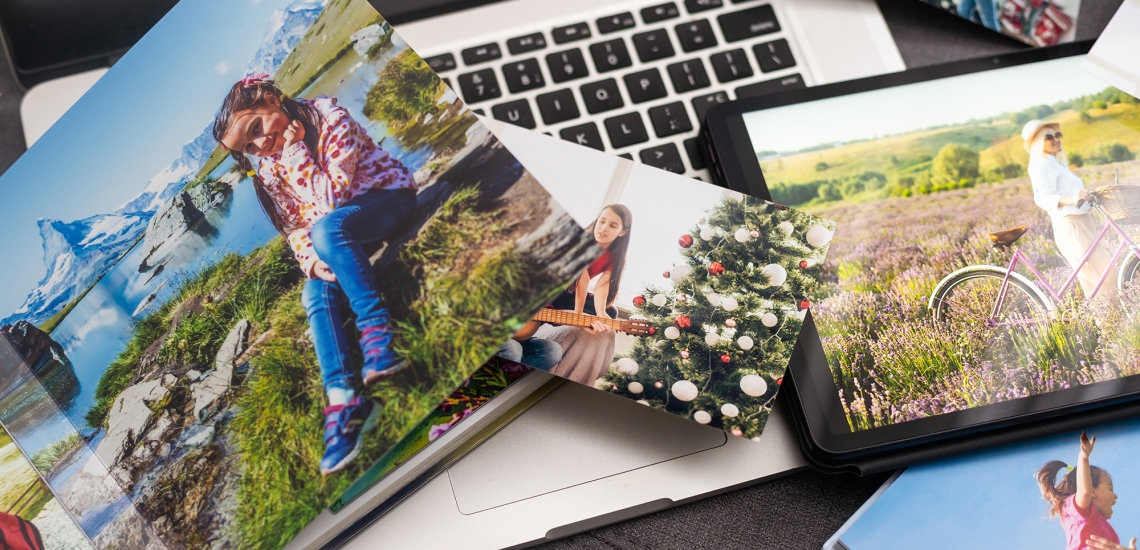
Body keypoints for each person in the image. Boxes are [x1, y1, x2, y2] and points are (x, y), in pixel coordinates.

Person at [213, 74, 416, 476]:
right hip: (341, 236)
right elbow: (295, 227)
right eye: (247, 148)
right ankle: (343, 402)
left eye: (256, 129)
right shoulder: (269, 168)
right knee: (313, 292)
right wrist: (312, 261)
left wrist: (294, 153)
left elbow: (329, 200)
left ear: (272, 97)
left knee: (328, 229)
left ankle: (379, 335)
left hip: (388, 201)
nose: (259, 146)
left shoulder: (329, 116)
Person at [527, 205, 632, 385]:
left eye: (612, 226)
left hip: (570, 293)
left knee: (610, 312)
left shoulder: (615, 255)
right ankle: (548, 316)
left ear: (622, 232)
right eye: (602, 221)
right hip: (554, 288)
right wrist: (576, 315)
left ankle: (558, 316)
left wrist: (600, 312)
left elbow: (602, 286)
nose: (604, 228)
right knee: (578, 307)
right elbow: (581, 281)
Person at [1024, 119, 1118, 304]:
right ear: (1037, 143)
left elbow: (1069, 192)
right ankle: (1107, 327)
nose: (1056, 139)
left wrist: (1089, 196)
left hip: (1082, 222)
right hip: (1070, 225)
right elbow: (1041, 197)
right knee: (1100, 278)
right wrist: (1073, 199)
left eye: (1057, 135)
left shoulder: (1056, 163)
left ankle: (1110, 323)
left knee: (1104, 274)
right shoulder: (1041, 164)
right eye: (1048, 136)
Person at [1036, 432, 1122, 550]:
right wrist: (1083, 457)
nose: (1115, 496)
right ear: (1092, 491)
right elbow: (1084, 491)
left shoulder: (1107, 531)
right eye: (1110, 488)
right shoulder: (1078, 514)